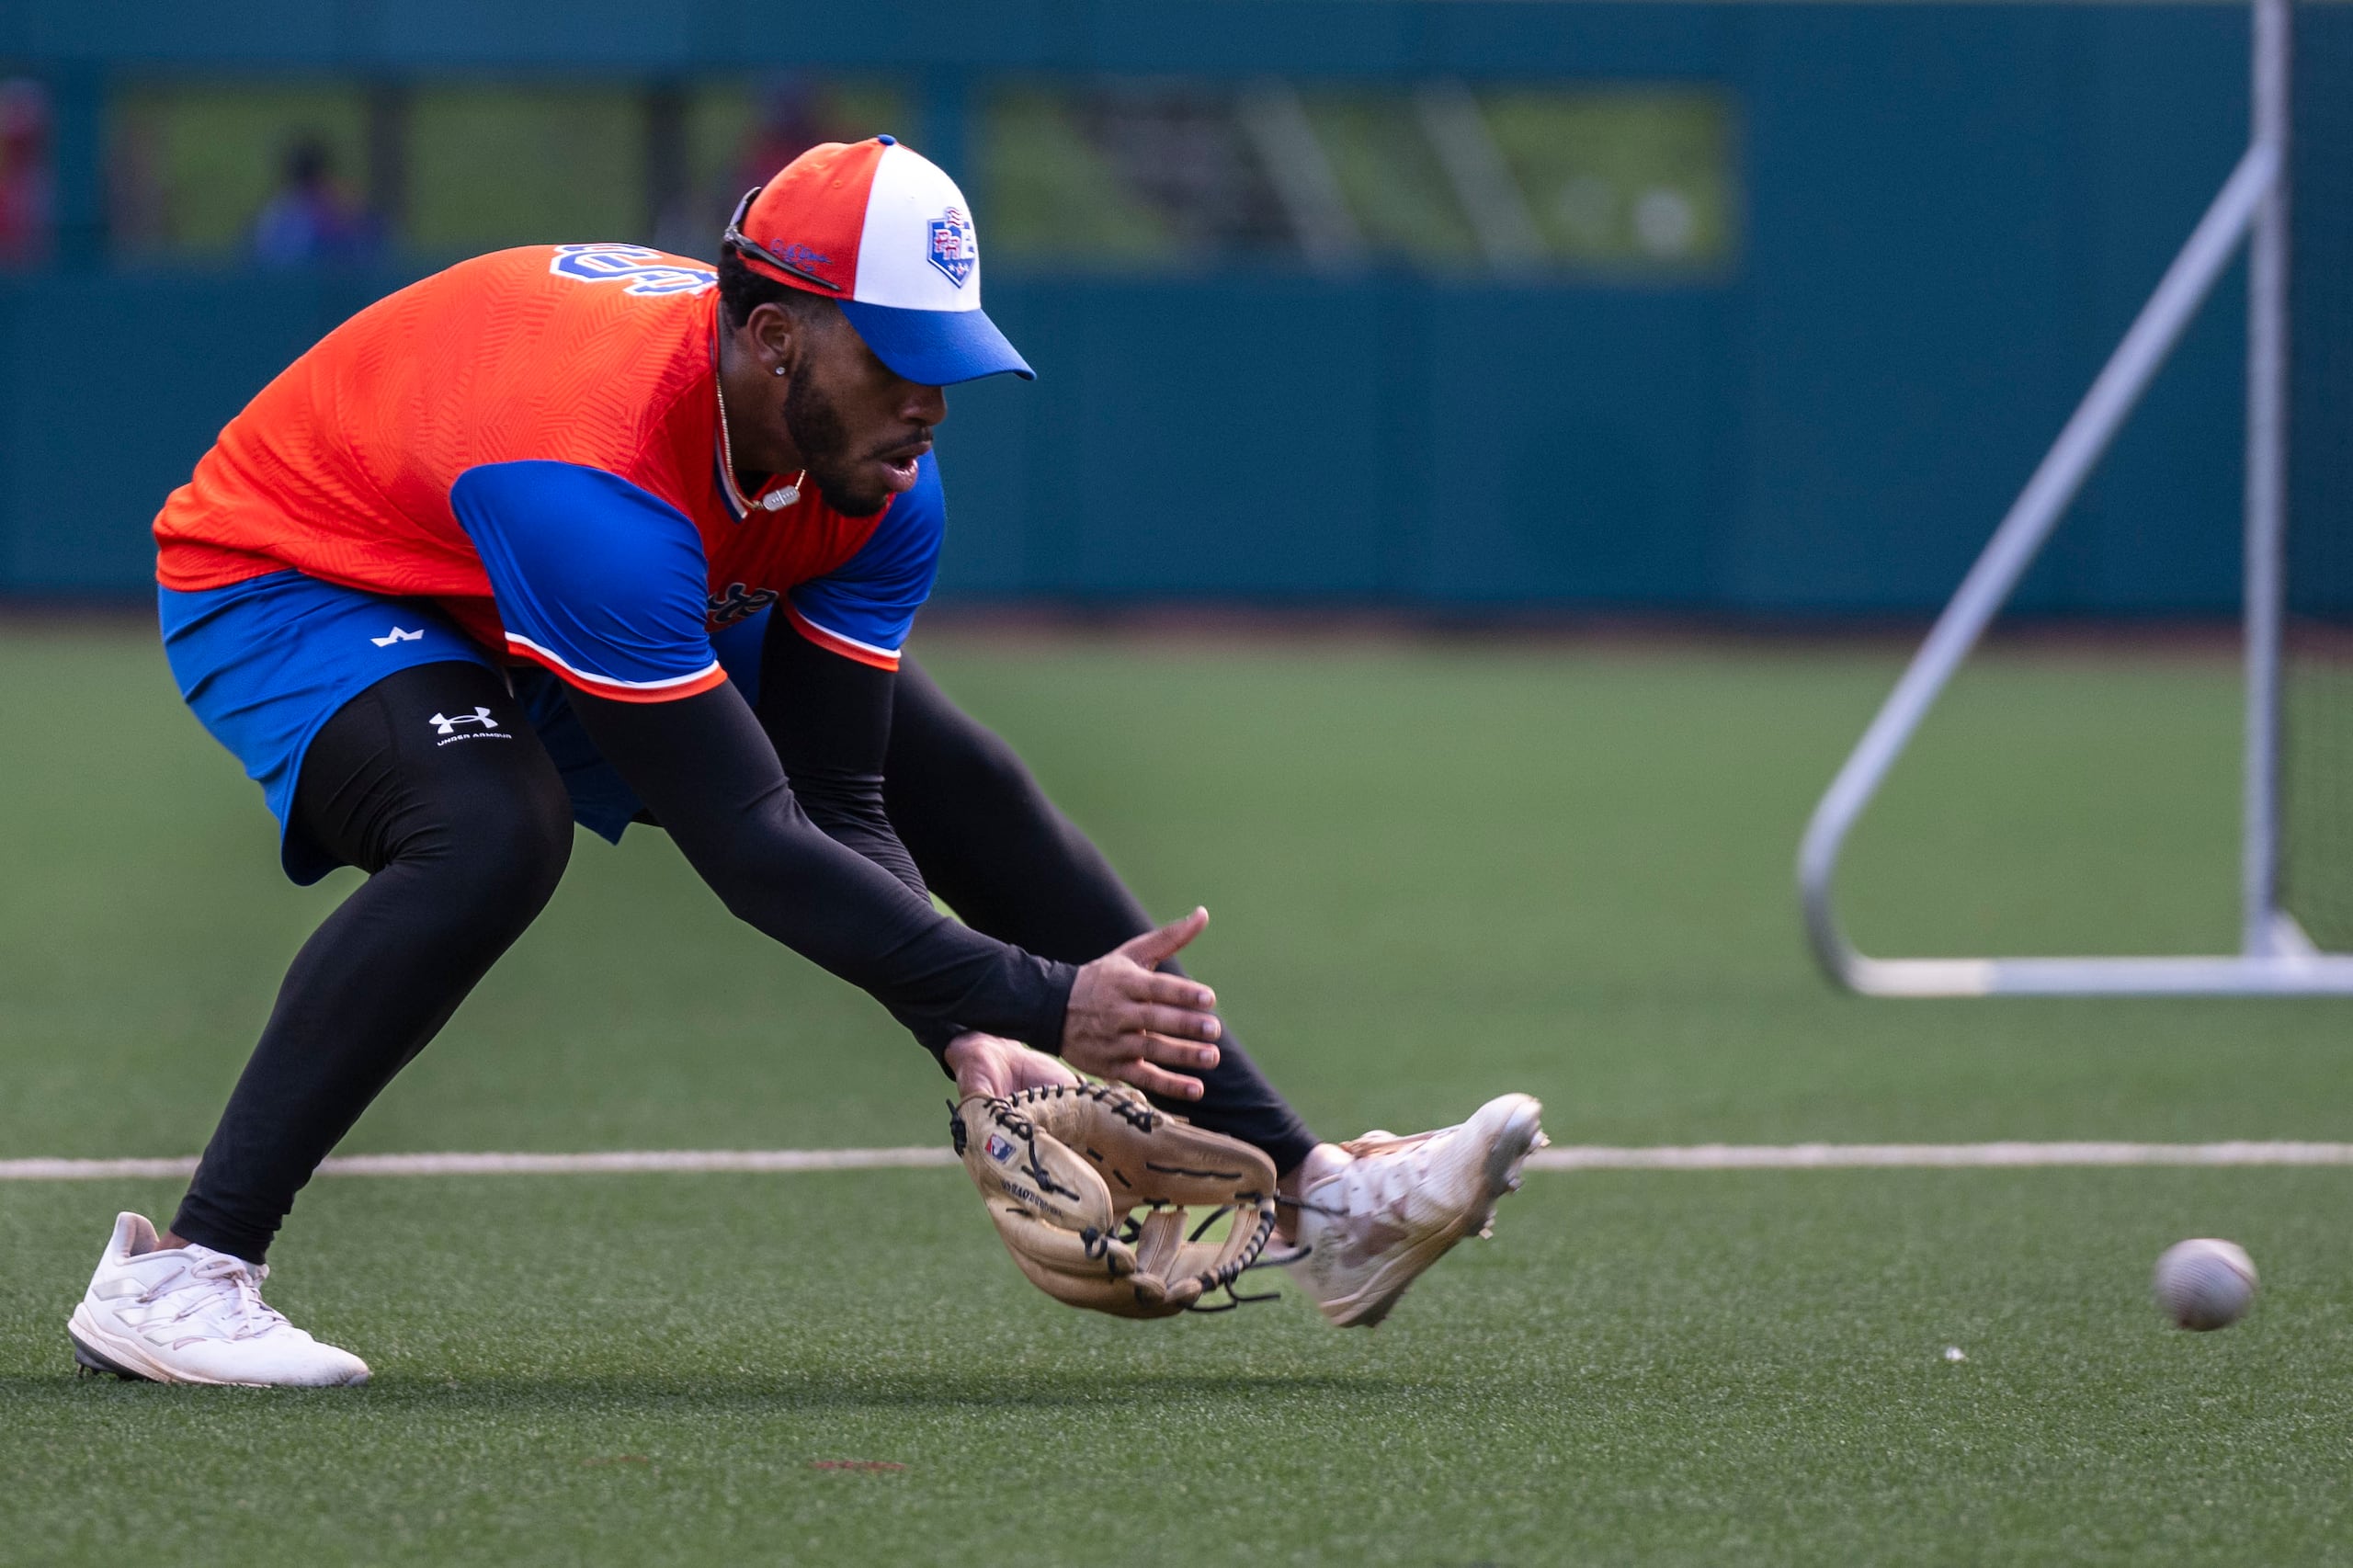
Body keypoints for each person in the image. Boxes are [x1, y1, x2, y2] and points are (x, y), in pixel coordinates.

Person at [69, 137, 1541, 1388]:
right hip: (304, 571)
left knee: (940, 764)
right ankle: (184, 1270)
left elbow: (846, 799)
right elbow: (752, 840)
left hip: (526, 553)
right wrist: (1032, 997)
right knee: (488, 827)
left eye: (951, 362)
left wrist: (977, 1053)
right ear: (772, 336)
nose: (931, 403)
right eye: (899, 358)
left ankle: (1321, 1198)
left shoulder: (883, 485)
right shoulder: (594, 482)